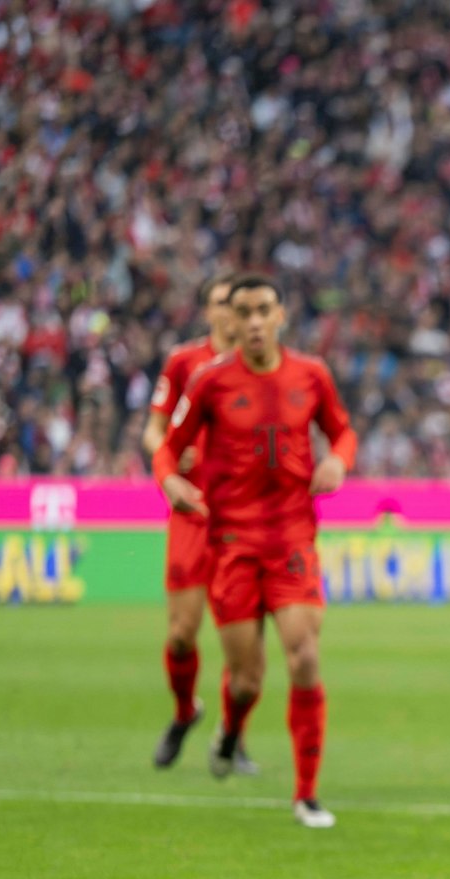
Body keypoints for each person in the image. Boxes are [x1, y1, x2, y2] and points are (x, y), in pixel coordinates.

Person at [153, 273, 358, 829]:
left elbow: (342, 432)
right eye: (244, 312)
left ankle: (306, 794)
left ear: (282, 314)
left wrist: (338, 460)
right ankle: (230, 728)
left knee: (305, 656)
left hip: (292, 539)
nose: (255, 322)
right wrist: (171, 482)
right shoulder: (208, 381)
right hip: (232, 545)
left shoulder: (311, 375)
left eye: (264, 309)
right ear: (232, 320)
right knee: (245, 679)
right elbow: (167, 451)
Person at [141, 274, 256, 776]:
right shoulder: (184, 363)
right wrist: (168, 461)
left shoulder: (261, 368)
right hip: (191, 513)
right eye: (220, 304)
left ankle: (234, 736)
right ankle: (185, 711)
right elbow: (154, 432)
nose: (230, 313)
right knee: (183, 633)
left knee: (241, 642)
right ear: (208, 312)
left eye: (237, 304)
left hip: (241, 517)